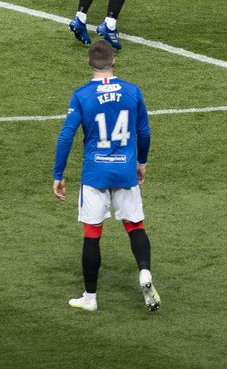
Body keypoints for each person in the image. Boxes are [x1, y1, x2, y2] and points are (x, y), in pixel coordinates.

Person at [53, 40, 160, 312]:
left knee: (92, 233)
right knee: (135, 226)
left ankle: (90, 298)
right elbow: (144, 132)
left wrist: (59, 173)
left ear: (89, 63)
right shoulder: (132, 91)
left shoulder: (81, 95)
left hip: (95, 173)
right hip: (125, 170)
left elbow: (66, 136)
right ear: (114, 62)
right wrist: (142, 162)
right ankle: (145, 272)